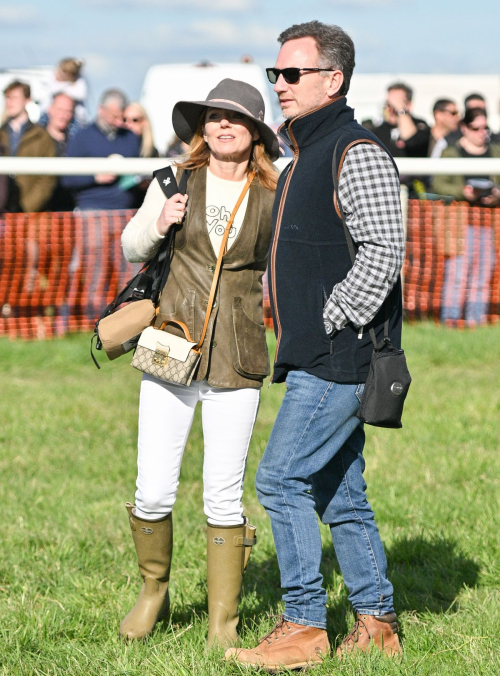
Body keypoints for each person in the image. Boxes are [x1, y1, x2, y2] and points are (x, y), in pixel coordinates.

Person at [226, 21, 405, 671]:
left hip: (338, 359)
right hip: (317, 354)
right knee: (339, 490)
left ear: (332, 78)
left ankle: (303, 624)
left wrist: (333, 318)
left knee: (280, 481)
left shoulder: (354, 151)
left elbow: (385, 249)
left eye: (291, 74)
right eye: (275, 74)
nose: (279, 84)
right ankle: (377, 622)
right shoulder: (305, 151)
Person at [119, 79, 279, 646]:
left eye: (235, 119)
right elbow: (131, 245)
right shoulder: (172, 181)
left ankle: (223, 625)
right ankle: (153, 592)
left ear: (256, 131)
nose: (222, 126)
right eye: (213, 118)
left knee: (223, 492)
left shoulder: (275, 191)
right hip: (169, 344)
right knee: (154, 488)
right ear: (201, 129)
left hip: (239, 355)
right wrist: (160, 222)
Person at [432, 107, 500, 325]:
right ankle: (450, 320)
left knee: (482, 275)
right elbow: (438, 183)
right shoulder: (450, 152)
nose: (481, 132)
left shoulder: (495, 151)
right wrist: (464, 192)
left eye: (485, 128)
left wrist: (496, 195)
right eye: (475, 127)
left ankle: (475, 321)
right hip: (458, 222)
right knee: (457, 274)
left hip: (488, 223)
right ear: (464, 128)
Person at [62, 88, 141, 210]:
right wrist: (94, 177)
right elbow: (67, 179)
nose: (119, 123)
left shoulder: (131, 137)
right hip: (92, 210)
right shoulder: (82, 137)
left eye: (122, 118)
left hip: (126, 211)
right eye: (114, 117)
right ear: (101, 110)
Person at [0, 80, 56, 213]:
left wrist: (28, 207)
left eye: (14, 97)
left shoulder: (42, 136)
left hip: (30, 214)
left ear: (27, 100)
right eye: (7, 97)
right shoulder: (1, 133)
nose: (9, 102)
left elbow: (48, 177)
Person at [42, 93, 77, 211]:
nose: (63, 116)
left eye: (68, 111)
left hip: (66, 209)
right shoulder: (35, 140)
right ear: (50, 109)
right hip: (39, 209)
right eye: (60, 110)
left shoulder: (76, 142)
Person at [122, 101, 159, 207]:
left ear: (144, 122)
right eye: (124, 119)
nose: (128, 124)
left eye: (134, 120)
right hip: (123, 206)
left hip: (144, 205)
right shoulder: (118, 147)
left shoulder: (152, 151)